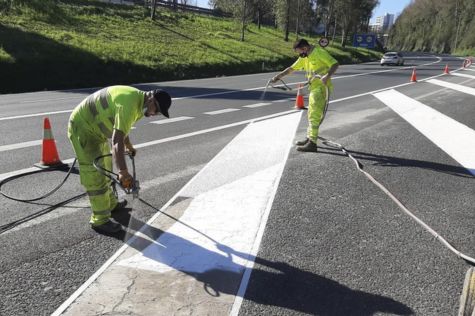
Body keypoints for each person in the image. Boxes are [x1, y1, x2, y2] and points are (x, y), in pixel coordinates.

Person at [68, 85, 172, 233]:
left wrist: (128, 145)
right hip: (83, 128)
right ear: (151, 99)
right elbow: (116, 142)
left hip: (96, 131)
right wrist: (123, 171)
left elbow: (122, 128)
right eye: (156, 110)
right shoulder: (129, 104)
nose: (154, 114)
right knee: (95, 174)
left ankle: (110, 204)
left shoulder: (138, 103)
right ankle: (100, 220)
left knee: (105, 167)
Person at [271, 38, 339, 152]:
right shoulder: (306, 56)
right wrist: (278, 77)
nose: (299, 54)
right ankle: (309, 138)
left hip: (322, 88)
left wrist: (327, 76)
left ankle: (312, 143)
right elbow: (292, 68)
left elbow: (335, 64)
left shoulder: (319, 52)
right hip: (313, 87)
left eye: (299, 52)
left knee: (314, 114)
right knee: (311, 113)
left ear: (305, 48)